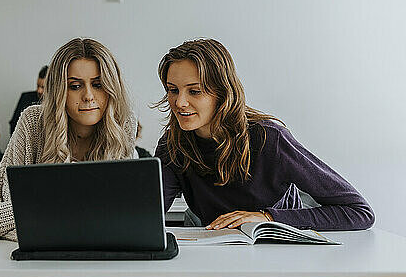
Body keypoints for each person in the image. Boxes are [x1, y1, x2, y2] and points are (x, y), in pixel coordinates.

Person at [154, 39, 374, 231]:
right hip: (219, 253)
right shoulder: (173, 145)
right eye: (173, 90)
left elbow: (359, 212)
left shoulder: (270, 138)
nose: (180, 102)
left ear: (222, 93)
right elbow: (148, 213)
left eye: (194, 91)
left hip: (282, 254)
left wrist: (267, 217)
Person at [0, 38, 137, 240]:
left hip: (99, 259)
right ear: (59, 91)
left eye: (98, 84)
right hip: (31, 260)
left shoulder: (123, 123)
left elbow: (117, 213)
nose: (88, 96)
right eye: (75, 86)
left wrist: (27, 214)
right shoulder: (33, 121)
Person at [9, 65, 48, 135]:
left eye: (43, 87)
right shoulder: (26, 97)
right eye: (38, 86)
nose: (39, 91)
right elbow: (14, 123)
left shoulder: (57, 102)